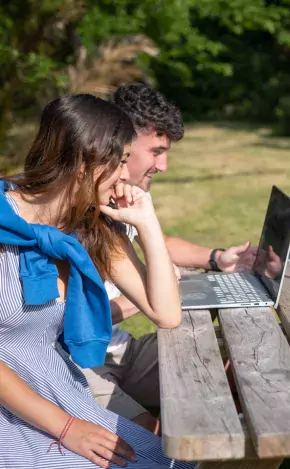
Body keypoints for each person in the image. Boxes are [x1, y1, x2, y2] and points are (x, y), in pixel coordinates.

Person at [0, 94, 194, 468]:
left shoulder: (94, 227)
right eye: (120, 161)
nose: (126, 174)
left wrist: (147, 221)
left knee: (170, 462)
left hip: (60, 392)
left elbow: (166, 314)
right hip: (19, 410)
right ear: (86, 161)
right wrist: (67, 428)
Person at [79, 83, 256, 433]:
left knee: (239, 363)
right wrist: (155, 292)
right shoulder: (79, 212)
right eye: (157, 151)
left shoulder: (131, 194)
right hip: (83, 363)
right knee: (153, 437)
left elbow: (155, 242)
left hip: (122, 351)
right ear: (121, 143)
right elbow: (69, 322)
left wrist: (216, 259)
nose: (164, 165)